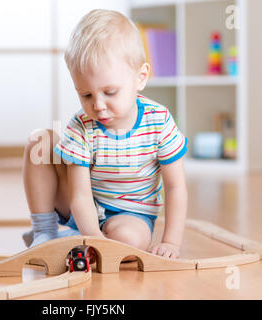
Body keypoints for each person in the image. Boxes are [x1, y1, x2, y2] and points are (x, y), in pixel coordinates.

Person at [22, 9, 188, 259]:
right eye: (86, 95)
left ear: (140, 78)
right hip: (83, 208)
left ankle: (73, 241)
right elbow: (79, 195)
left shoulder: (159, 121)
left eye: (109, 92)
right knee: (40, 141)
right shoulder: (82, 125)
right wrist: (94, 240)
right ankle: (45, 233)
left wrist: (171, 242)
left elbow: (176, 187)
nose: (97, 105)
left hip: (132, 215)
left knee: (128, 240)